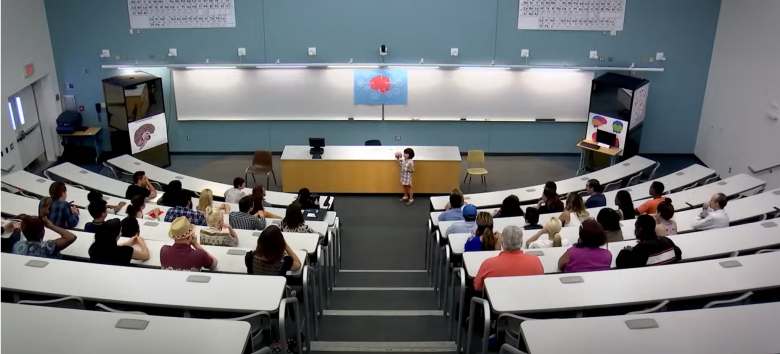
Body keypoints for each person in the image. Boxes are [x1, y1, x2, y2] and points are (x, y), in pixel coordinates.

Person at [473, 226, 543, 291]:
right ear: (521, 243)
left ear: (502, 243)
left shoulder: (488, 264)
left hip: (497, 303)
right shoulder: (536, 261)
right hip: (529, 302)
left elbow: (477, 287)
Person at [616, 215, 682, 268]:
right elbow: (678, 253)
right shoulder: (667, 240)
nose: (635, 230)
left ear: (640, 229)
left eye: (636, 227)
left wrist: (625, 251)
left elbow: (620, 264)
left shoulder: (640, 249)